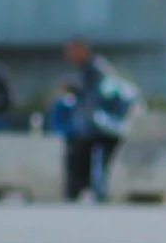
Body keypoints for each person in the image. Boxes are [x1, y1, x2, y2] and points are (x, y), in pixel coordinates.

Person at [59, 37, 138, 202]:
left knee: (95, 158)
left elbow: (99, 98)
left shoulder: (95, 69)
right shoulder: (89, 69)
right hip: (97, 126)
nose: (69, 57)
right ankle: (83, 190)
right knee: (83, 156)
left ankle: (94, 191)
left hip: (102, 126)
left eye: (72, 52)